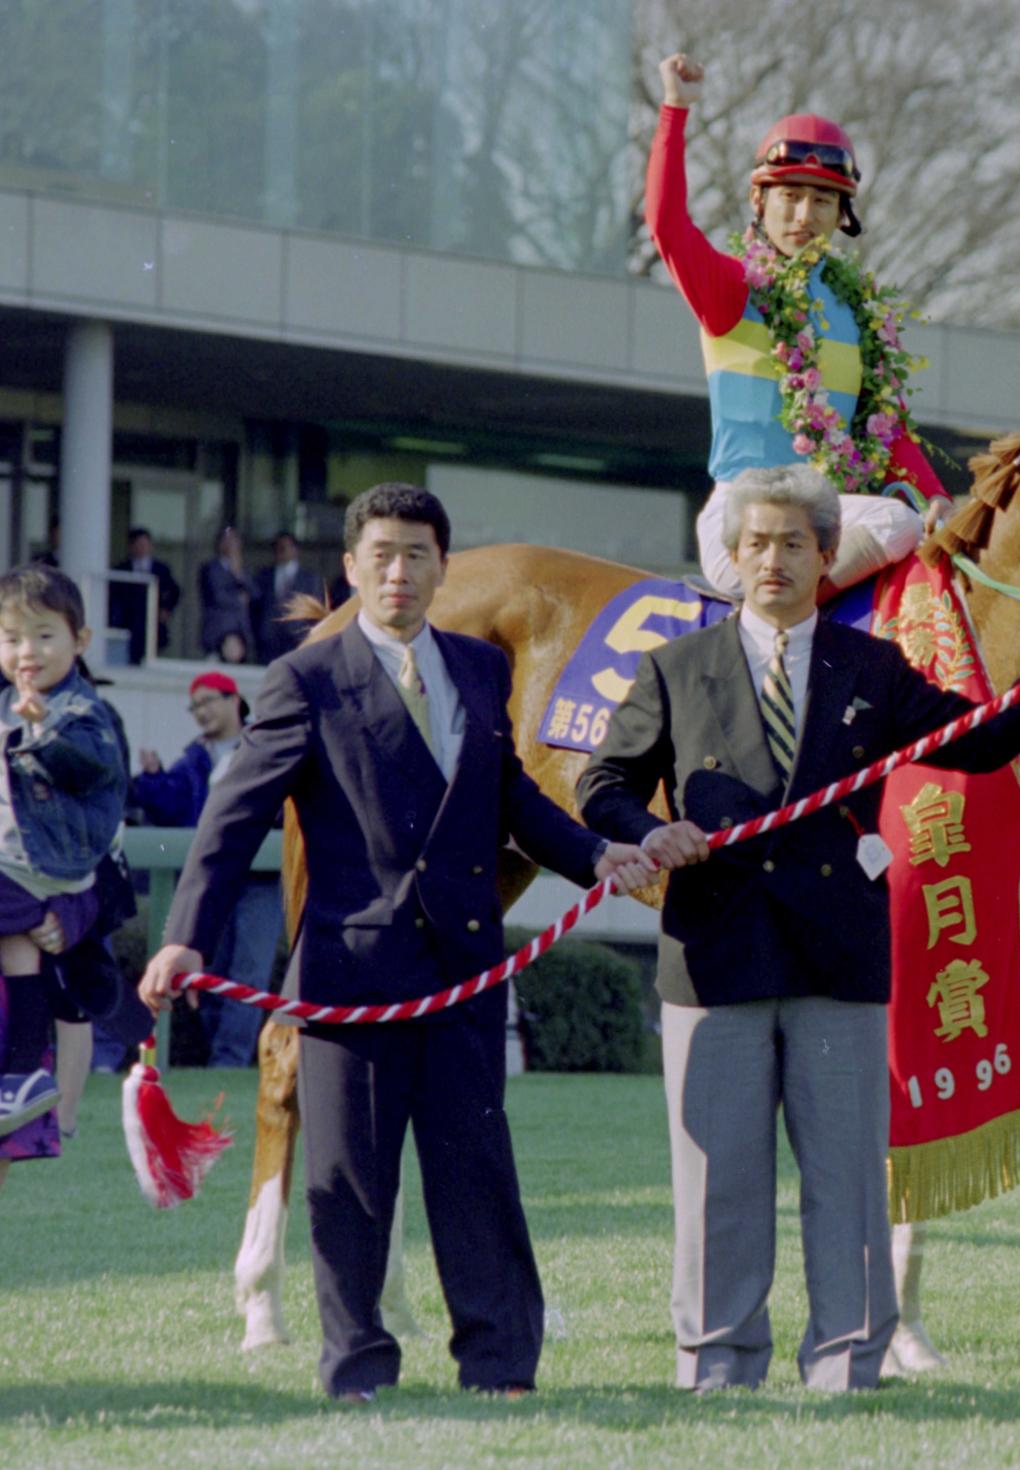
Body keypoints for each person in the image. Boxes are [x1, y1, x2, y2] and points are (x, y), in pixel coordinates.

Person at [576, 464, 1020, 1393]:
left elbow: (979, 742)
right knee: (719, 1186)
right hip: (715, 959)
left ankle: (845, 1367)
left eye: (794, 543)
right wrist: (645, 830)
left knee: (849, 1183)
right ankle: (716, 1367)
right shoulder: (675, 668)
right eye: (756, 545)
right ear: (731, 560)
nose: (773, 560)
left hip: (840, 960)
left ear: (829, 556)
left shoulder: (874, 668)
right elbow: (602, 785)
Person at [139, 483, 653, 1402]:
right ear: (351, 568)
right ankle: (359, 1369)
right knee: (352, 1187)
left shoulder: (481, 669)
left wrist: (595, 853)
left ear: (441, 568)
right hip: (351, 975)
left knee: (477, 1179)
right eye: (380, 555)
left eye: (417, 554)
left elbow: (514, 802)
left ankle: (500, 1366)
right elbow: (233, 817)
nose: (398, 572)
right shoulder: (305, 677)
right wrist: (186, 941)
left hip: (463, 970)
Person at [647, 53, 937, 603]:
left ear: (841, 215)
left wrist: (937, 498)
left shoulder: (859, 315)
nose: (805, 215)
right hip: (745, 516)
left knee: (915, 530)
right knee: (897, 525)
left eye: (822, 200)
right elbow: (667, 225)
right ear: (759, 200)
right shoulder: (732, 289)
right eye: (791, 196)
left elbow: (889, 428)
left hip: (826, 516)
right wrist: (675, 111)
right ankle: (775, 624)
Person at [0, 567, 127, 1169]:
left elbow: (86, 770)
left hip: (50, 877)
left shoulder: (80, 711)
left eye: (44, 636)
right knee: (17, 952)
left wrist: (41, 729)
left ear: (80, 639)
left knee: (49, 969)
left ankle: (45, 1090)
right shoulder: (8, 702)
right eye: (12, 638)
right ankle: (24, 1074)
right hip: (24, 879)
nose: (27, 652)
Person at [131, 670, 281, 1068]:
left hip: (262, 877)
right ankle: (216, 1057)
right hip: (216, 879)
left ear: (234, 699)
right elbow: (171, 806)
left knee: (249, 969)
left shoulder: (266, 739)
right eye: (194, 706)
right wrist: (151, 779)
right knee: (208, 970)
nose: (199, 712)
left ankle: (229, 1062)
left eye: (207, 701)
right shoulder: (194, 756)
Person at [110, 526, 181, 662]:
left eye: (145, 544)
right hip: (128, 622)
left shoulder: (161, 569)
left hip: (154, 622)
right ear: (131, 546)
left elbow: (175, 591)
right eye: (138, 544)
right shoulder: (122, 569)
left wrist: (166, 609)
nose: (142, 547)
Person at [253, 532, 327, 662]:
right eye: (278, 547)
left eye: (285, 547)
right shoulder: (263, 575)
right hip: (268, 642)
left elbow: (316, 612)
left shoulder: (310, 579)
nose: (281, 551)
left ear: (295, 550)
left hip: (297, 642)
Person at [198, 525, 255, 661]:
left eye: (234, 540)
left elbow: (255, 594)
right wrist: (239, 600)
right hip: (218, 630)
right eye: (227, 540)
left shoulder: (242, 569)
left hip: (240, 632)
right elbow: (217, 596)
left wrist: (238, 573)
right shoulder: (210, 568)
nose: (231, 544)